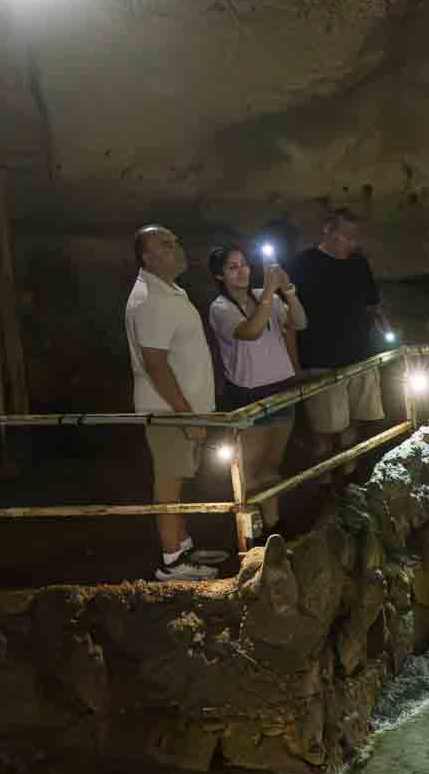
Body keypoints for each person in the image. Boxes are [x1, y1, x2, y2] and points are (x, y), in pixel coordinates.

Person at [124, 224, 226, 581]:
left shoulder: (167, 291)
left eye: (175, 240)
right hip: (169, 411)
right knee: (169, 481)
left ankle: (183, 546)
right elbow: (155, 363)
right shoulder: (151, 299)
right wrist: (185, 413)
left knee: (179, 479)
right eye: (165, 244)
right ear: (148, 258)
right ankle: (172, 562)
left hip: (179, 408)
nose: (176, 246)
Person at [207, 244, 306, 531]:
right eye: (232, 267)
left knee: (271, 466)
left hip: (281, 389)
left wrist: (287, 290)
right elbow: (250, 332)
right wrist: (268, 294)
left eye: (245, 265)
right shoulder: (221, 308)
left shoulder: (269, 299)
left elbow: (300, 321)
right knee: (249, 468)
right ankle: (252, 531)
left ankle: (275, 525)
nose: (242, 272)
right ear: (219, 276)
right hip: (249, 395)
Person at [286, 208, 391, 461]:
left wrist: (388, 335)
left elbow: (372, 306)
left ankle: (347, 476)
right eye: (345, 235)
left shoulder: (358, 263)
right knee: (327, 429)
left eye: (354, 236)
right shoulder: (302, 264)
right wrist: (295, 365)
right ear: (328, 231)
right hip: (322, 359)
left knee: (360, 420)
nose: (351, 242)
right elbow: (288, 319)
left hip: (360, 356)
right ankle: (324, 484)